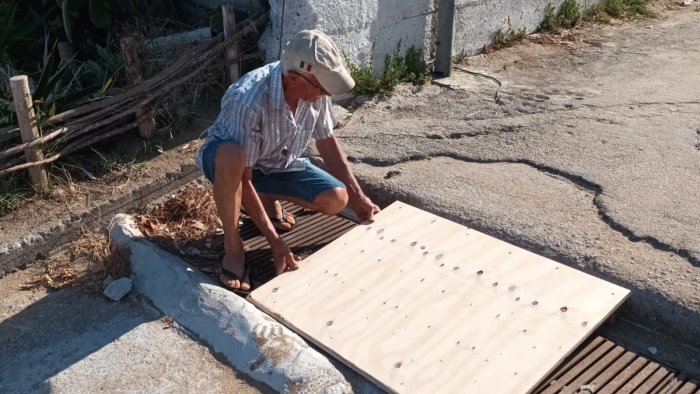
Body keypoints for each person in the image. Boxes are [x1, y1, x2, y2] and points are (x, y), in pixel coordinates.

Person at [196, 30, 380, 294]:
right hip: (230, 165)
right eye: (321, 87)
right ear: (293, 78)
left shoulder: (315, 91)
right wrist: (275, 241)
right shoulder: (248, 99)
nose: (326, 94)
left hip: (274, 162)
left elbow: (327, 142)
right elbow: (245, 178)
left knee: (337, 199)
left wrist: (357, 195)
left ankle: (266, 198)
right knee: (232, 157)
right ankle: (233, 247)